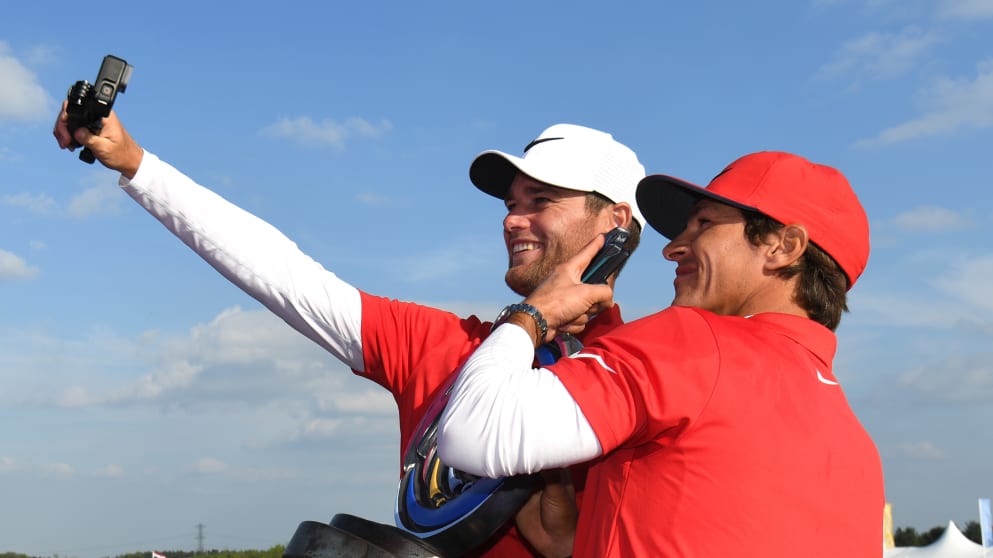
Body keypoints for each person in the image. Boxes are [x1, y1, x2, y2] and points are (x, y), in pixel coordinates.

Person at [54, 109, 647, 557]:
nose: (511, 218)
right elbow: (283, 275)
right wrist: (137, 164)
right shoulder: (442, 345)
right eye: (510, 202)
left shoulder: (657, 368)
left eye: (540, 200)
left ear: (617, 224)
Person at [437, 151, 885, 557]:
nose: (672, 248)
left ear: (783, 247)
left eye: (704, 223)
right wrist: (574, 545)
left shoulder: (693, 340)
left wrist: (534, 312)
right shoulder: (860, 450)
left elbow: (474, 433)